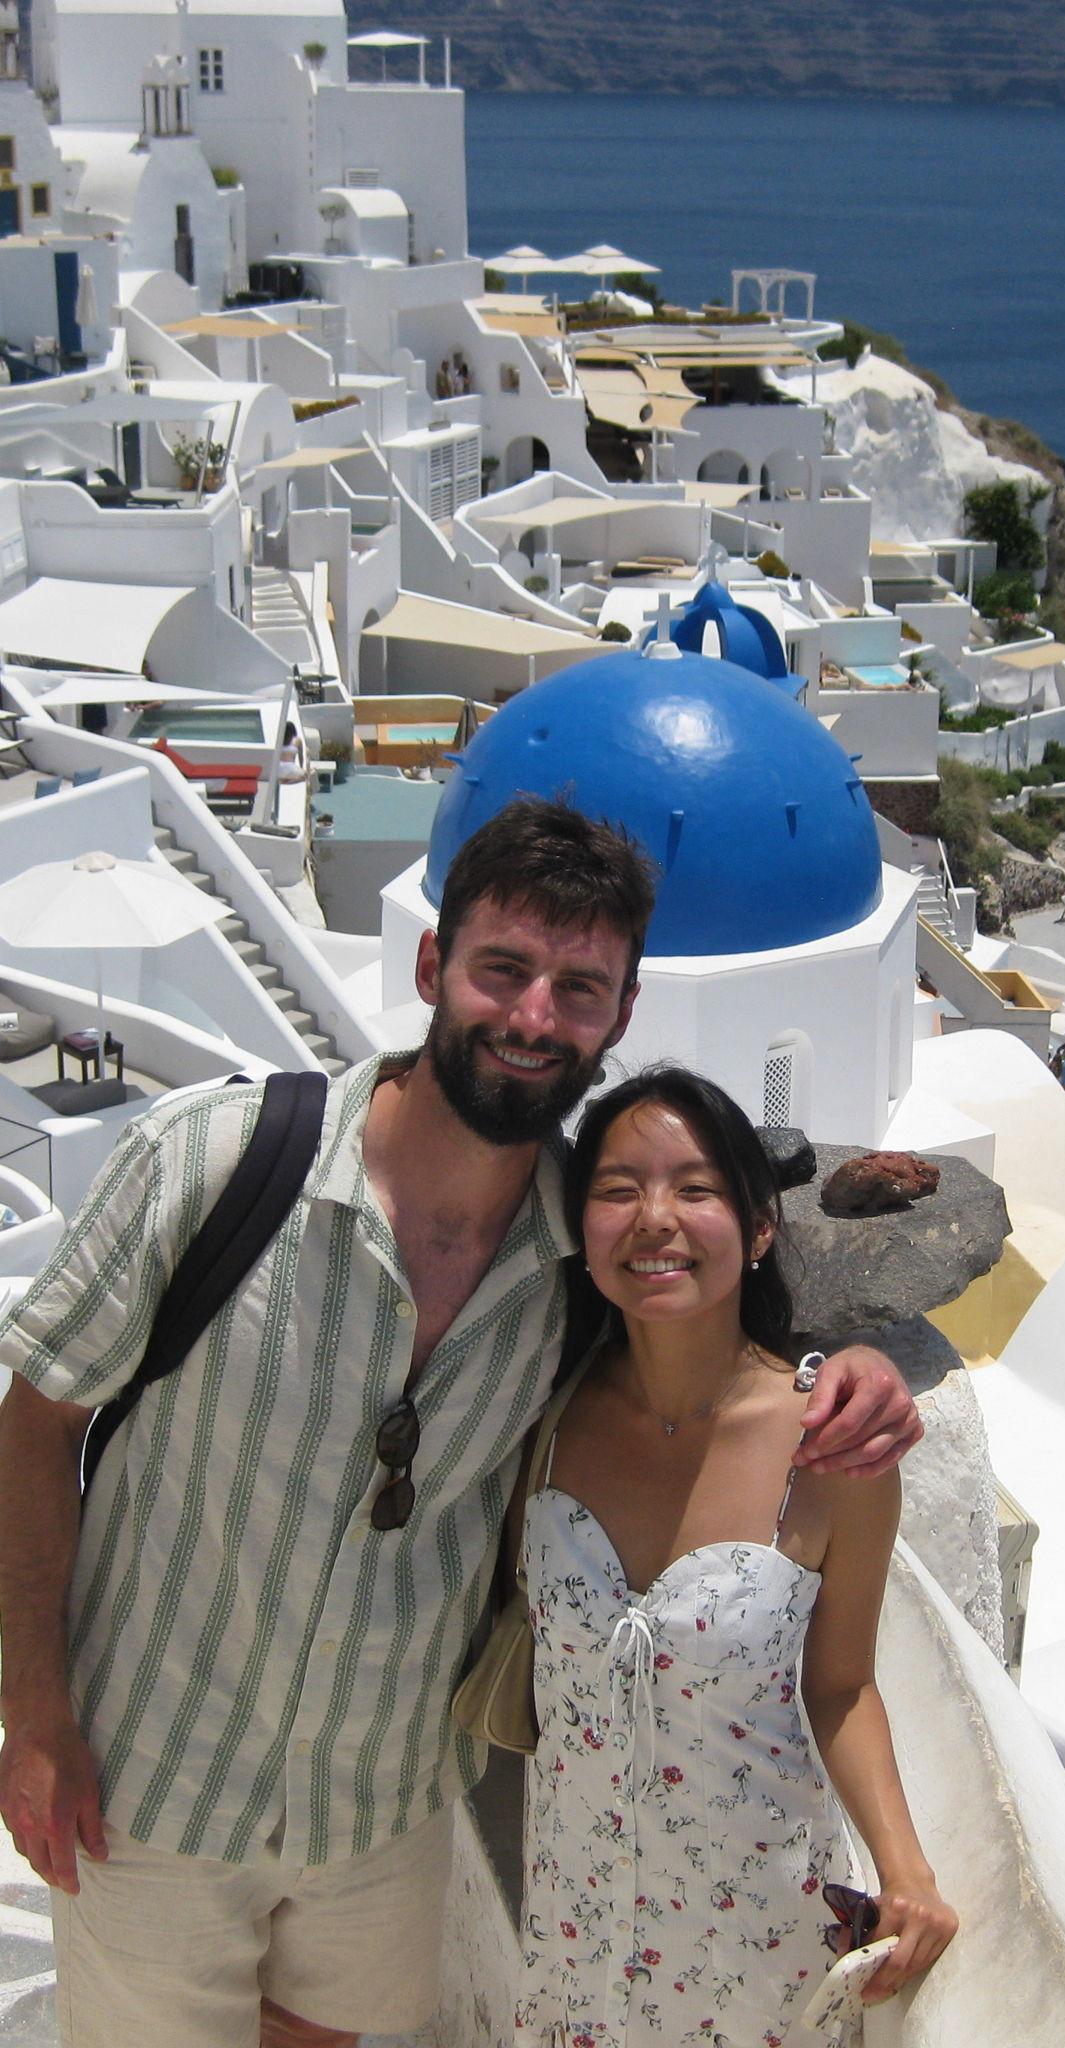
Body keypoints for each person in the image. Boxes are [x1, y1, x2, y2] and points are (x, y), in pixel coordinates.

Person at [0, 797, 923, 2048]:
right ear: (434, 964)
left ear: (621, 1011)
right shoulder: (213, 1161)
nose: (535, 1016)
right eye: (504, 968)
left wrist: (843, 1360)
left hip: (379, 1816)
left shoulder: (576, 1259)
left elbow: (708, 1356)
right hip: (153, 1786)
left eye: (579, 986)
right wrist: (37, 1717)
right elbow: (33, 1425)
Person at [517, 1067, 957, 2041]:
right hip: (575, 1948)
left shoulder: (829, 1446)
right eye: (618, 1188)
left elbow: (840, 1684)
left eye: (696, 1188)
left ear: (760, 1227)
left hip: (751, 1962)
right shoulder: (540, 1411)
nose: (655, 1216)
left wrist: (906, 1869)